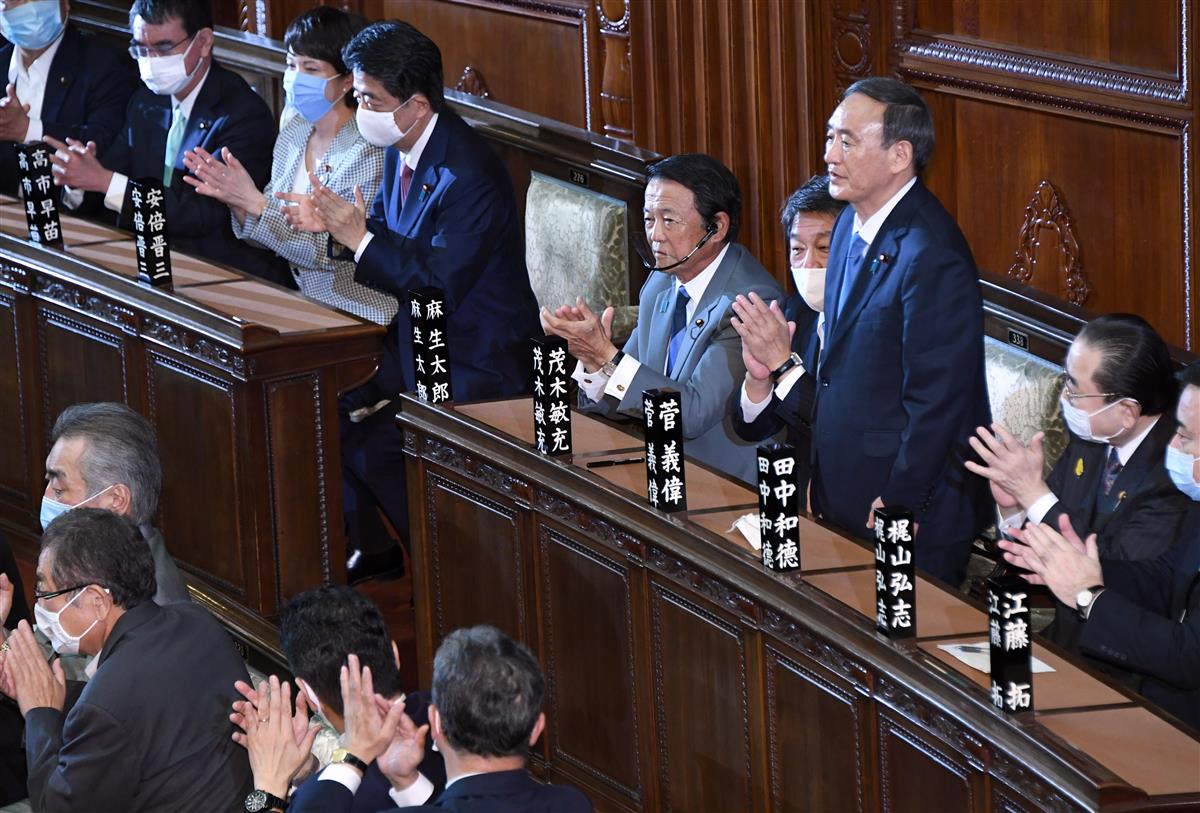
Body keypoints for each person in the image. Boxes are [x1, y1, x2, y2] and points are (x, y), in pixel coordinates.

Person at [283, 20, 540, 582]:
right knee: (326, 412)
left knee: (380, 445)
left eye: (369, 98)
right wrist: (334, 230)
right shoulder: (404, 146)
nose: (358, 105)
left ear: (416, 105)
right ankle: (397, 550)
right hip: (418, 341)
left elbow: (436, 286)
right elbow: (399, 243)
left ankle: (455, 570)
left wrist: (359, 238)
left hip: (477, 361)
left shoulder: (468, 173)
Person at [813, 76, 992, 585]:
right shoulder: (850, 221)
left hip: (907, 508)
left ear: (899, 156)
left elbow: (938, 400)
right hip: (844, 487)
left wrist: (901, 500)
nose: (830, 154)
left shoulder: (931, 253)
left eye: (847, 141)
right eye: (830, 137)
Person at [542, 153, 783, 484]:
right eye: (648, 219)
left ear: (717, 227)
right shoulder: (661, 280)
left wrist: (608, 356)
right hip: (658, 465)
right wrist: (595, 364)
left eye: (669, 221)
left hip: (722, 485)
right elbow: (634, 391)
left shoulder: (749, 303)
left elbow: (693, 413)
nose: (655, 235)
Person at [966, 314, 1190, 662]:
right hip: (1062, 642)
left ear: (1128, 410)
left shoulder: (1176, 475)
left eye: (1076, 389)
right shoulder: (1094, 435)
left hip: (1122, 662)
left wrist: (1034, 495)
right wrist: (1014, 510)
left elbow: (1116, 575)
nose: (1065, 397)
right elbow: (1040, 536)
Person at [0, 508, 251, 811]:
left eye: (45, 592)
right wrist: (42, 691)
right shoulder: (196, 620)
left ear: (97, 601)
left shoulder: (107, 702)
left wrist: (40, 714)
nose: (38, 603)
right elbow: (135, 709)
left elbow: (57, 806)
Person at [997, 360, 1200, 729]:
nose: (1173, 445)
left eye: (1185, 436)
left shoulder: (1169, 490)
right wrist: (1082, 568)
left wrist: (1088, 596)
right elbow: (1167, 576)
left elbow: (1190, 657)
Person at [43, 0, 290, 285]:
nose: (150, 60)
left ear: (204, 41)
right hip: (152, 261)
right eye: (140, 48)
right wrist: (78, 178)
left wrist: (104, 181)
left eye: (162, 48)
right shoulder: (146, 100)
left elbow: (201, 214)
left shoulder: (242, 113)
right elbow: (113, 172)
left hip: (222, 273)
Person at [181, 6, 395, 325]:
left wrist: (252, 201)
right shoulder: (295, 128)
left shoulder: (368, 150)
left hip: (355, 313)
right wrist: (236, 199)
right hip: (296, 297)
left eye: (310, 68)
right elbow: (261, 232)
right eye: (290, 64)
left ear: (348, 79)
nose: (294, 78)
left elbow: (326, 254)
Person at [289, 625, 592, 813]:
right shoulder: (572, 804)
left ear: (436, 723)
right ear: (537, 728)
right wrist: (406, 783)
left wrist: (352, 755)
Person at [231, 585, 444, 812]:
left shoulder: (309, 804)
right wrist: (310, 771)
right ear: (394, 654)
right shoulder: (452, 713)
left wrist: (268, 789)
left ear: (309, 694)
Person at [732, 174, 846, 505]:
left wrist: (783, 364)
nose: (809, 264)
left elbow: (841, 427)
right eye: (797, 249)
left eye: (824, 248)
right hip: (799, 501)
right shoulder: (796, 312)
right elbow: (752, 429)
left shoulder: (880, 329)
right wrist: (759, 381)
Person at [42, 401, 189, 605]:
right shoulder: (90, 557)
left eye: (59, 490)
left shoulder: (146, 607)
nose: (47, 498)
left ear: (116, 501)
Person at [0, 0, 135, 196]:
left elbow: (103, 142)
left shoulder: (105, 65)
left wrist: (27, 130)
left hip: (72, 216)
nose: (26, 5)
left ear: (65, 3)